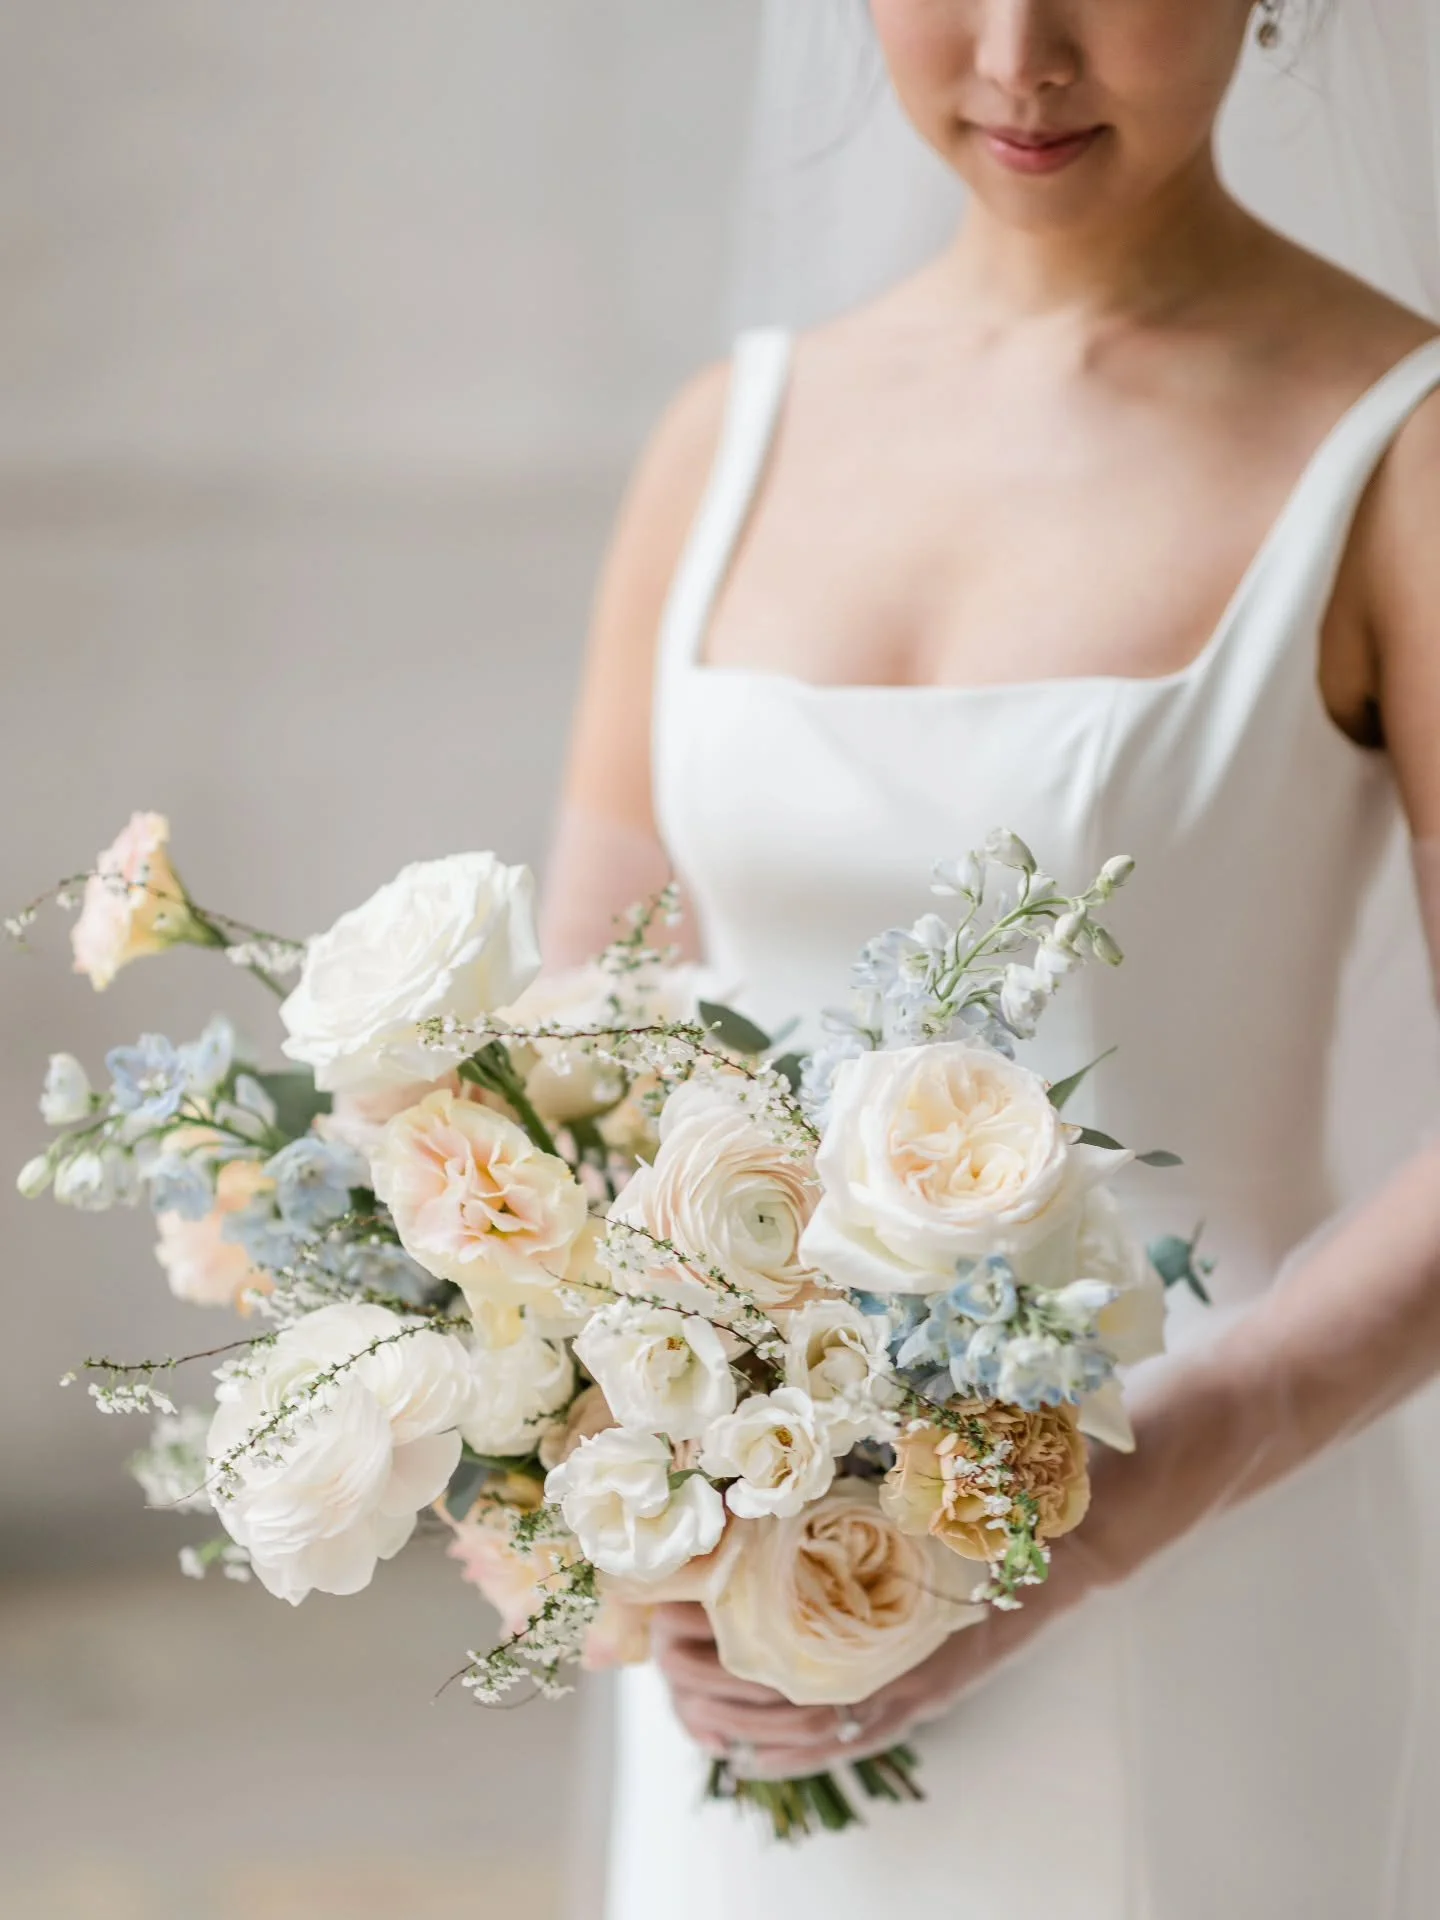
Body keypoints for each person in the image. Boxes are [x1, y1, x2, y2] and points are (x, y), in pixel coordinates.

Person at [543, 3, 1440, 1913]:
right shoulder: (729, 434)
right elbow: (584, 1033)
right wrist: (637, 1464)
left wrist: (1136, 1495)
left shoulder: (1405, 450)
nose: (1022, 54)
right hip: (749, 1604)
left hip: (1202, 1557)